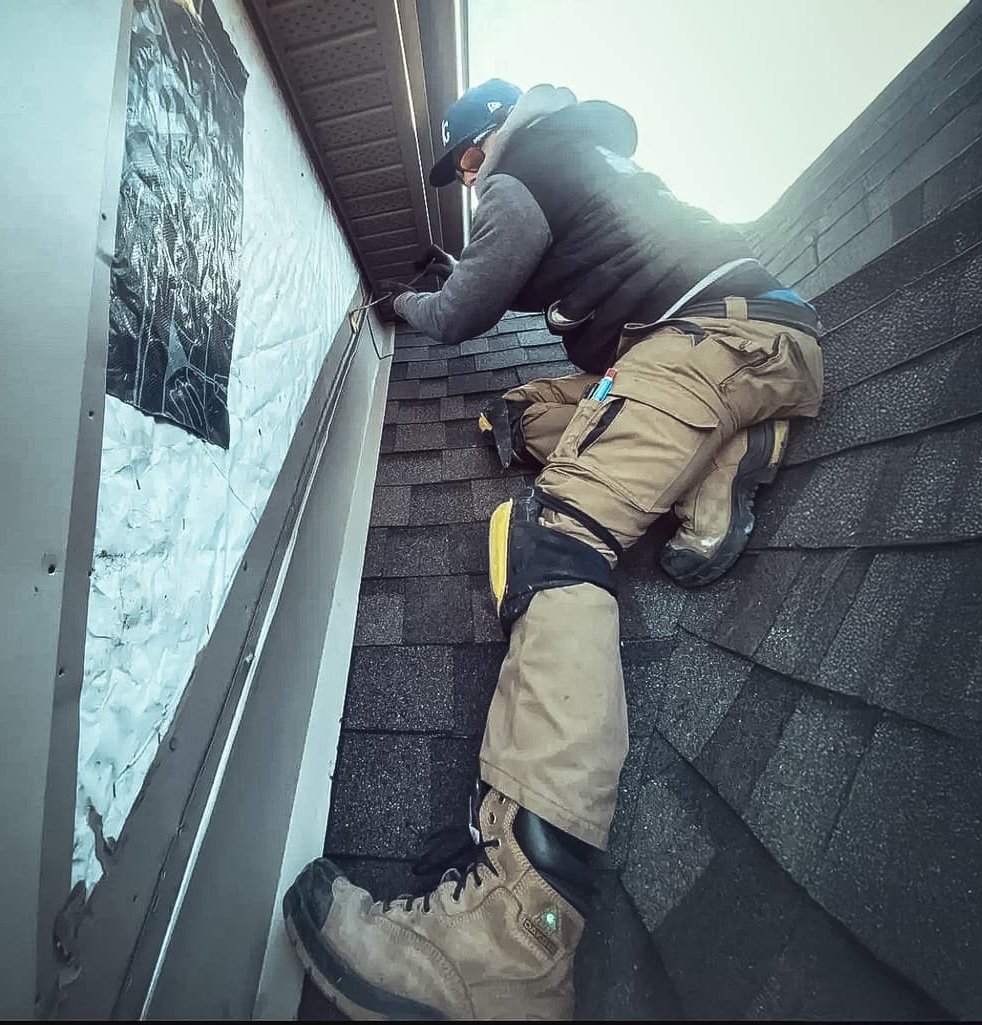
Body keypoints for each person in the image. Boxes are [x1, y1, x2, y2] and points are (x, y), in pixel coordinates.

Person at [282, 79, 823, 1019]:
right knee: (526, 412)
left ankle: (509, 943)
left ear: (487, 139)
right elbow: (529, 274)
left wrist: (404, 299)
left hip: (703, 347)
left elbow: (462, 312)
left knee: (553, 535)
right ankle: (727, 448)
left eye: (462, 160)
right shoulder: (578, 155)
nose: (465, 177)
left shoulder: (515, 175)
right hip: (752, 338)